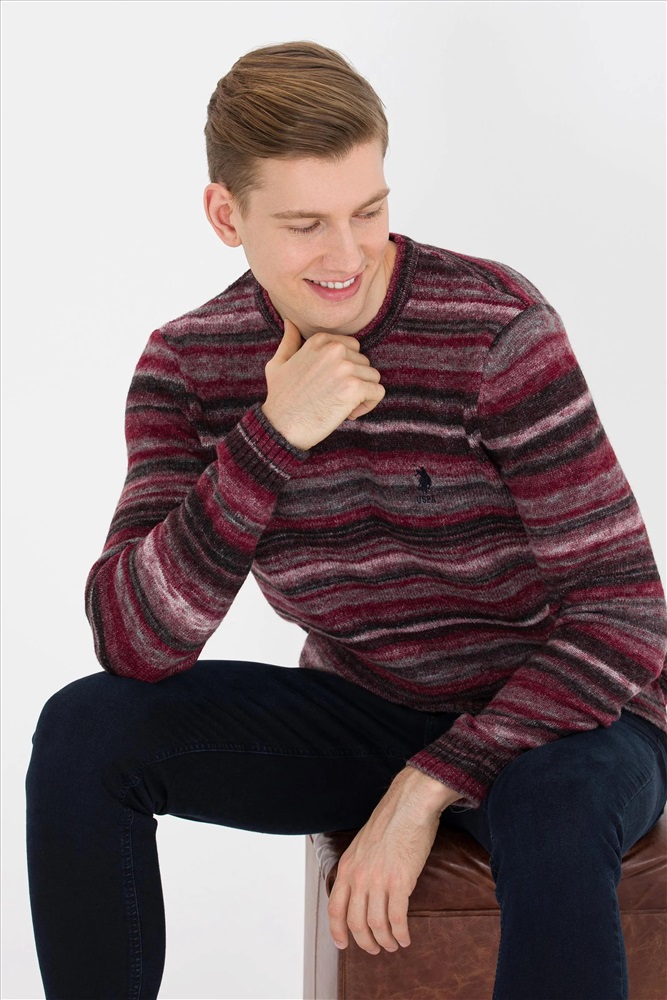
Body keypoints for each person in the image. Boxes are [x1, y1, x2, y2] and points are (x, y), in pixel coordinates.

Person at [26, 40, 667, 1000]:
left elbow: (623, 615)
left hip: (571, 719)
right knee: (85, 732)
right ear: (225, 215)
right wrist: (272, 434)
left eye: (368, 210)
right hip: (367, 708)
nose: (348, 255)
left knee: (555, 806)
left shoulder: (493, 329)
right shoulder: (189, 367)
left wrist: (428, 784)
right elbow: (133, 642)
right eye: (305, 225)